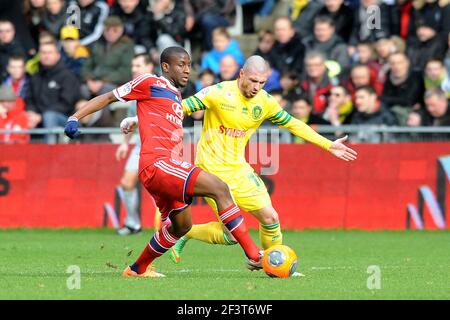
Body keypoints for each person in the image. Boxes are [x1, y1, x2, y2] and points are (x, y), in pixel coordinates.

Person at [122, 56, 357, 268]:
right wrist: (136, 118)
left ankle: (273, 263)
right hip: (211, 171)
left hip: (240, 169)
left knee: (271, 218)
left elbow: (292, 123)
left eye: (262, 83)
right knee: (232, 236)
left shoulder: (265, 102)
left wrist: (328, 144)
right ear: (241, 74)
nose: (257, 87)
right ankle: (187, 233)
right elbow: (178, 108)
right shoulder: (217, 92)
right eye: (253, 80)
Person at [64, 47, 263, 278]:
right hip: (158, 164)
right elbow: (109, 97)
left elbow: (154, 116)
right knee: (219, 188)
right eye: (181, 64)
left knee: (182, 226)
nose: (187, 70)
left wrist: (135, 121)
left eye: (189, 65)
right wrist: (75, 117)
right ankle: (254, 255)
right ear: (166, 67)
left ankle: (137, 269)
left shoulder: (176, 96)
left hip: (164, 168)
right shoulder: (148, 81)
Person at [115, 53, 154, 236]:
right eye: (133, 66)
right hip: (140, 144)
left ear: (149, 67)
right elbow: (133, 121)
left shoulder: (157, 86)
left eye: (138, 65)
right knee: (127, 183)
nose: (134, 69)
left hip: (159, 144)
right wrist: (124, 143)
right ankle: (133, 224)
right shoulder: (134, 89)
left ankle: (174, 226)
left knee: (164, 188)